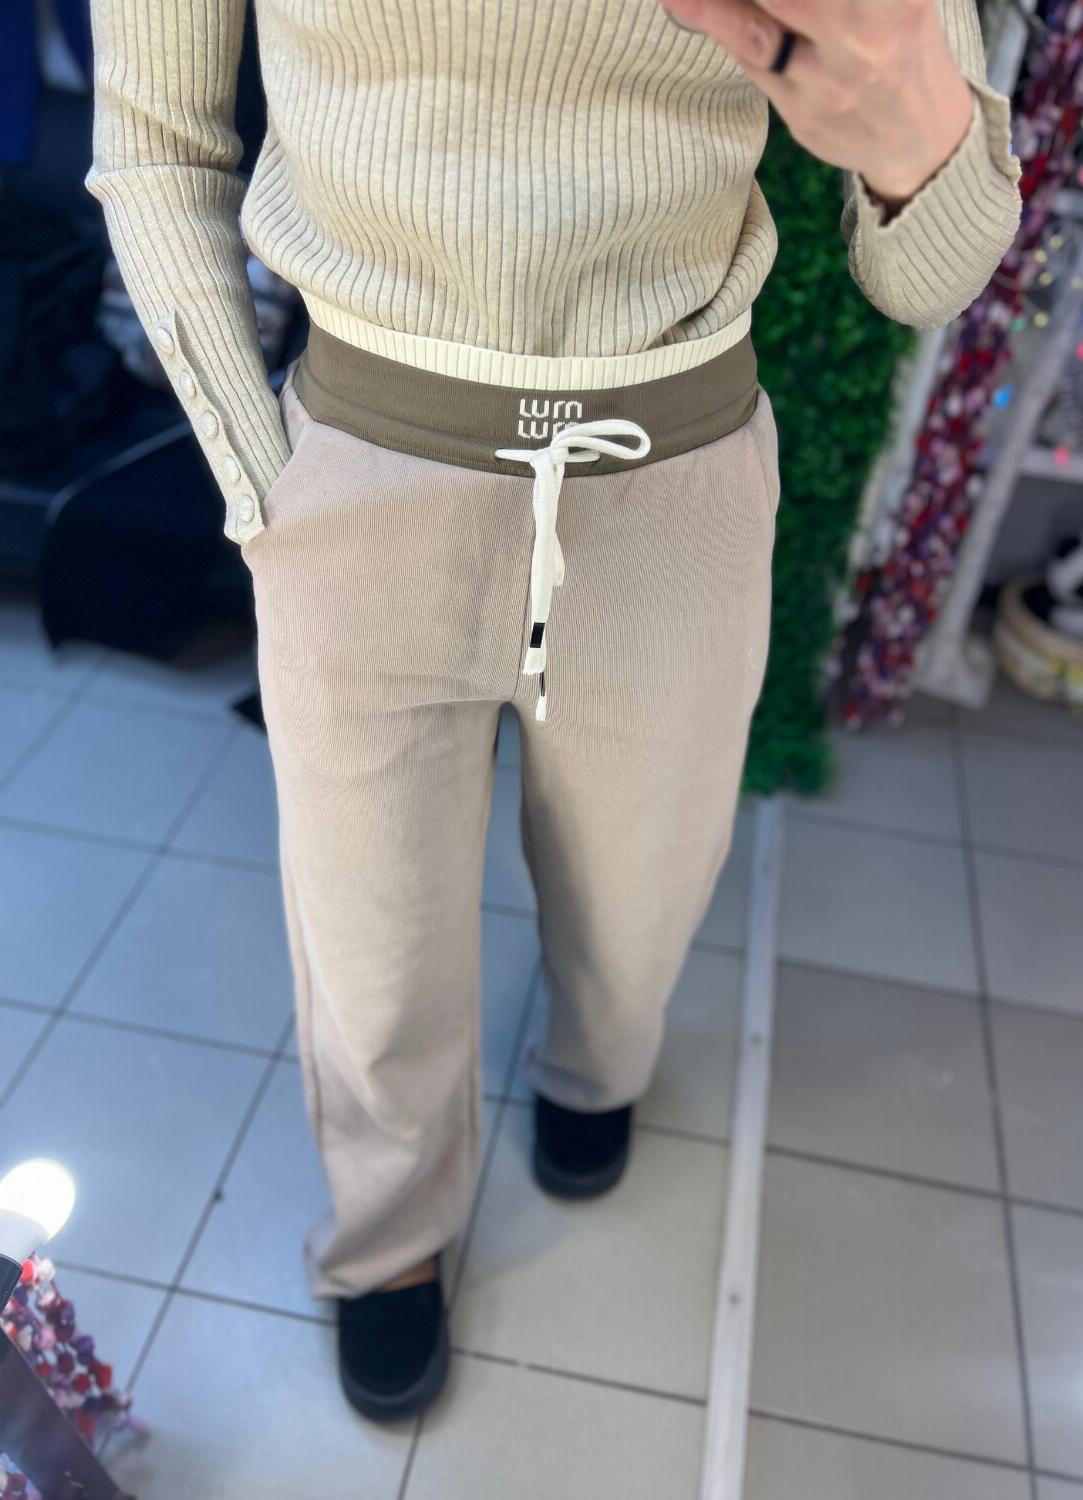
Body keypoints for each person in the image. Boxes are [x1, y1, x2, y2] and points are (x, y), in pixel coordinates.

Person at [86, 0, 1022, 1423]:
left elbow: (932, 272)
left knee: (644, 887)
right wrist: (261, 480)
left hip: (675, 479)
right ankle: (389, 1235)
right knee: (368, 939)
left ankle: (596, 1067)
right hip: (360, 479)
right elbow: (157, 144)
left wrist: (919, 140)